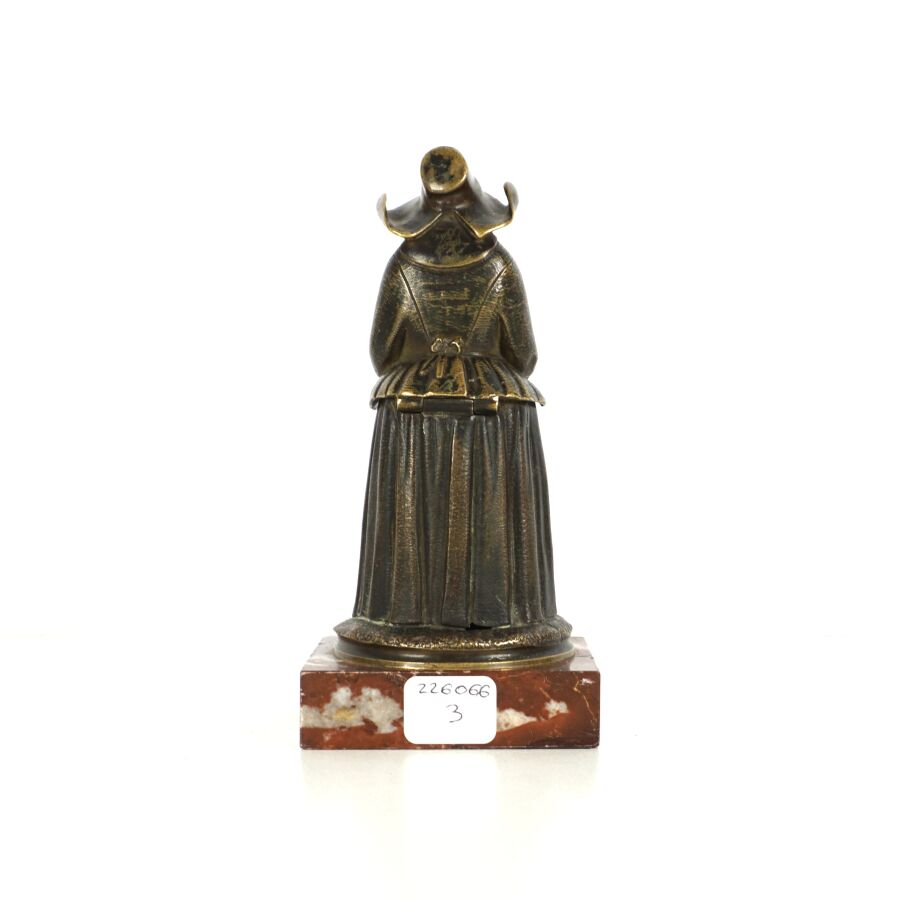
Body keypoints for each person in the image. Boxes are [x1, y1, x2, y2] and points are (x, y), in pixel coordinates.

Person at [335, 148, 572, 665]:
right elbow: (523, 355)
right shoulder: (499, 265)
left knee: (412, 513)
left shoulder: (403, 266)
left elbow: (383, 353)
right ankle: (497, 613)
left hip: (411, 406)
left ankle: (406, 614)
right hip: (493, 406)